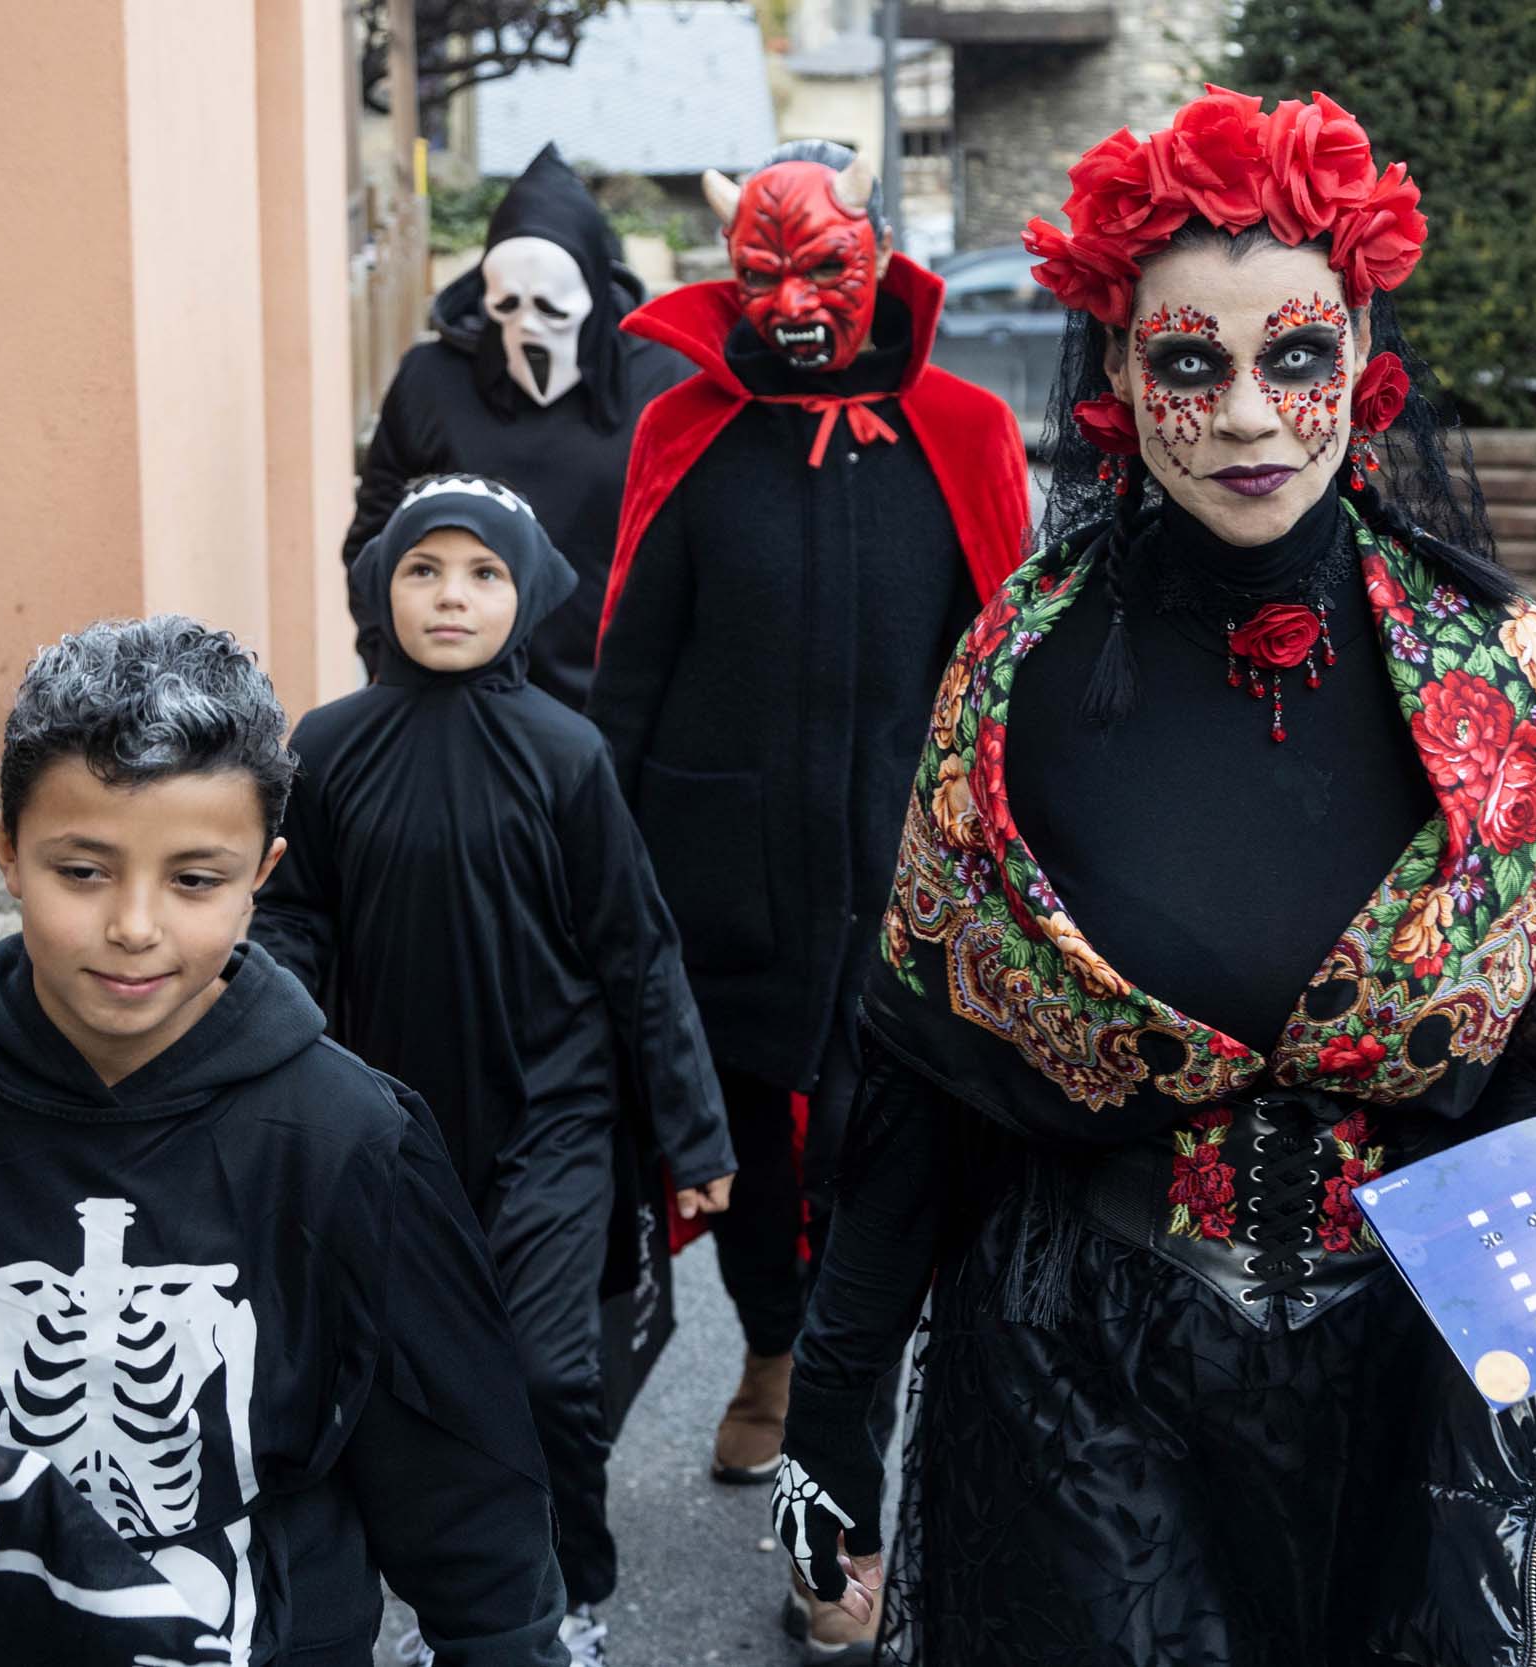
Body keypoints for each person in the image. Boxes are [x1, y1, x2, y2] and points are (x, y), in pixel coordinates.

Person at [768, 89, 1536, 1666]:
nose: (1248, 413)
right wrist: (831, 1413)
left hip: (1460, 1390)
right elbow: (919, 1075)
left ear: (1360, 364)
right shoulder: (1008, 679)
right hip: (1088, 1394)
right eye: (1191, 363)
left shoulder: (1500, 667)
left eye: (1293, 356)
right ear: (1118, 374)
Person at [0, 616, 570, 1666]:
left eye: (194, 878)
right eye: (82, 869)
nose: (135, 925)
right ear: (5, 848)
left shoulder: (349, 1140)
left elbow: (461, 1490)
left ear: (262, 870)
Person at [584, 136, 1028, 1647]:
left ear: (877, 259)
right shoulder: (690, 431)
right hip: (724, 887)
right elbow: (630, 667)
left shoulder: (962, 429)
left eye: (817, 268)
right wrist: (600, 868)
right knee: (759, 1171)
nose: (788, 303)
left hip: (903, 904)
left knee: (878, 1194)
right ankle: (768, 1348)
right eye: (758, 272)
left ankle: (828, 1518)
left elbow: (1002, 673)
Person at [253, 474, 737, 1667]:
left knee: (542, 1368)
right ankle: (458, 1600)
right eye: (424, 570)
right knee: (410, 1377)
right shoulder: (325, 744)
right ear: (380, 587)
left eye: (483, 573)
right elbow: (296, 916)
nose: (452, 596)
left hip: (553, 1115)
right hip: (389, 1120)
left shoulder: (565, 753)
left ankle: (573, 1586)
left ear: (525, 596)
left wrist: (695, 1130)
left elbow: (636, 947)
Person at [346, 144, 692, 703]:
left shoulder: (664, 382)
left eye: (551, 308)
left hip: (612, 705)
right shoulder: (431, 380)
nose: (528, 328)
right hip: (456, 702)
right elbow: (375, 535)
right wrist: (392, 666)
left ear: (594, 298)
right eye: (508, 305)